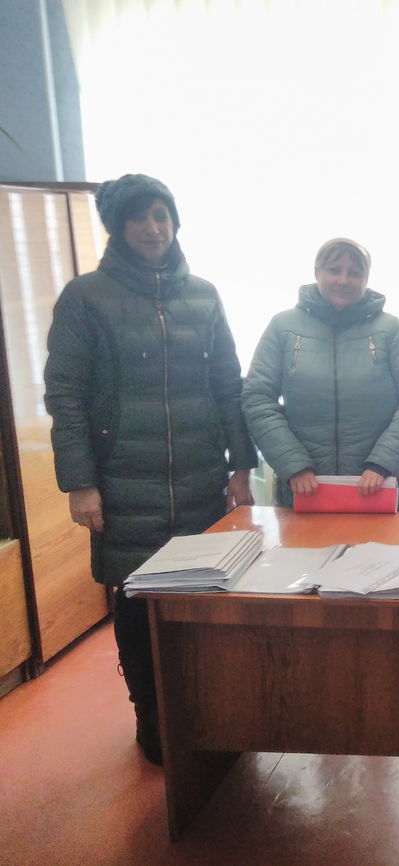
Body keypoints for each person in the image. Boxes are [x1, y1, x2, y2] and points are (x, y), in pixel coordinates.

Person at [44, 173, 257, 765]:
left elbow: (228, 384)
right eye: (139, 216)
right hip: (121, 483)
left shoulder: (204, 296)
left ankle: (208, 713)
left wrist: (242, 465)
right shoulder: (85, 298)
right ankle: (152, 717)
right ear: (118, 226)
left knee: (202, 602)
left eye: (161, 215)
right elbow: (65, 395)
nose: (152, 227)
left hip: (198, 480)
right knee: (138, 606)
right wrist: (80, 483)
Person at [243, 238, 399, 511]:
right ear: (317, 271)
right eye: (334, 270)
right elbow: (258, 399)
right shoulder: (283, 327)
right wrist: (294, 465)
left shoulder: (390, 330)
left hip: (379, 487)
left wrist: (382, 464)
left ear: (366, 279)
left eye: (355, 273)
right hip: (303, 490)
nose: (344, 280)